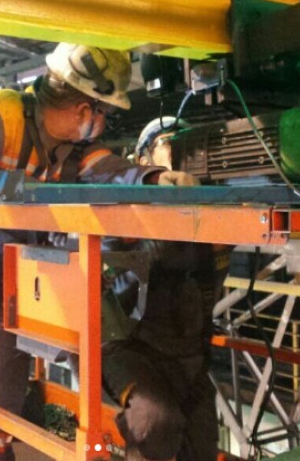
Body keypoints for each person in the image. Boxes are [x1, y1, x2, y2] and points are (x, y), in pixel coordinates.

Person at [0, 44, 196, 461]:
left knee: (77, 337)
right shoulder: (2, 112)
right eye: (103, 112)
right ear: (83, 107)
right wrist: (6, 189)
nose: (102, 124)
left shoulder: (75, 150)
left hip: (22, 259)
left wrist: (156, 177)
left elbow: (112, 171)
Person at [102, 116, 230, 461]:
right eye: (169, 141)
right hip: (130, 350)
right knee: (154, 420)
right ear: (143, 161)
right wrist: (150, 253)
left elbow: (209, 291)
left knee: (201, 444)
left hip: (187, 353)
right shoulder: (120, 210)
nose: (181, 149)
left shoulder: (204, 218)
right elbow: (111, 298)